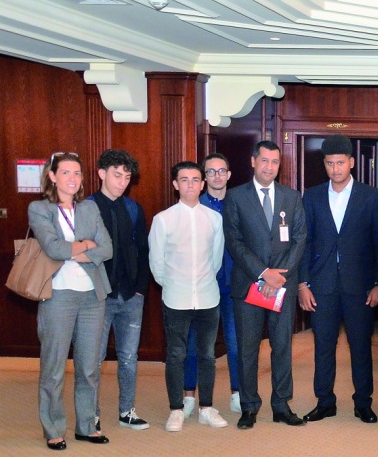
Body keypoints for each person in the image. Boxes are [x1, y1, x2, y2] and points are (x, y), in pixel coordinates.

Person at [297, 136, 378, 424]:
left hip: (359, 286)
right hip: (321, 286)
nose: (335, 168)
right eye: (330, 163)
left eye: (340, 162)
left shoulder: (370, 196)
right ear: (324, 164)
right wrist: (302, 284)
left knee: (361, 346)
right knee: (323, 346)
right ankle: (325, 402)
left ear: (351, 163)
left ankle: (363, 403)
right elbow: (304, 243)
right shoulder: (310, 196)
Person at [30, 152, 113, 450]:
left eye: (77, 173)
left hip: (93, 296)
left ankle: (87, 425)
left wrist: (74, 250)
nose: (73, 178)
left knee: (89, 366)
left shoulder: (89, 208)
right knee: (53, 367)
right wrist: (85, 246)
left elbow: (107, 248)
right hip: (58, 296)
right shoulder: (40, 208)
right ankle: (54, 428)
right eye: (66, 172)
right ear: (53, 176)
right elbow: (52, 247)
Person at [223, 140, 308, 429]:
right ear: (253, 162)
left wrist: (278, 277)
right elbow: (234, 242)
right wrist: (263, 273)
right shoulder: (235, 197)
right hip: (249, 284)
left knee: (282, 345)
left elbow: (299, 239)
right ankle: (249, 406)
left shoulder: (292, 196)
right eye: (264, 161)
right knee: (248, 348)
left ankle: (281, 405)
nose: (269, 167)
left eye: (274, 162)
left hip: (283, 284)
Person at [150, 161, 229, 432]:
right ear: (175, 184)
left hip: (208, 297)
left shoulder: (214, 218)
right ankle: (176, 409)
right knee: (176, 354)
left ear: (202, 184)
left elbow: (216, 259)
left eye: (196, 179)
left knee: (207, 355)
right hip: (176, 298)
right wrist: (174, 284)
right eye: (184, 180)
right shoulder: (163, 219)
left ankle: (206, 407)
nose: (191, 185)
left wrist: (201, 281)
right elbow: (156, 264)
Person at [88, 149, 150, 431]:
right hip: (96, 297)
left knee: (128, 358)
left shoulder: (134, 208)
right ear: (101, 173)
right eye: (117, 175)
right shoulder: (85, 207)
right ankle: (91, 414)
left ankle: (127, 410)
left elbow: (142, 251)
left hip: (130, 296)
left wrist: (139, 289)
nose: (122, 181)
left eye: (127, 177)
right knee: (93, 359)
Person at [182, 153, 240, 416]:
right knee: (195, 344)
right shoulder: (193, 206)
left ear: (229, 174)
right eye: (211, 171)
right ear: (204, 178)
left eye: (222, 171)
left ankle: (237, 394)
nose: (217, 176)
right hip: (202, 287)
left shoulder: (241, 203)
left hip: (234, 286)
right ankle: (188, 396)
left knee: (236, 343)